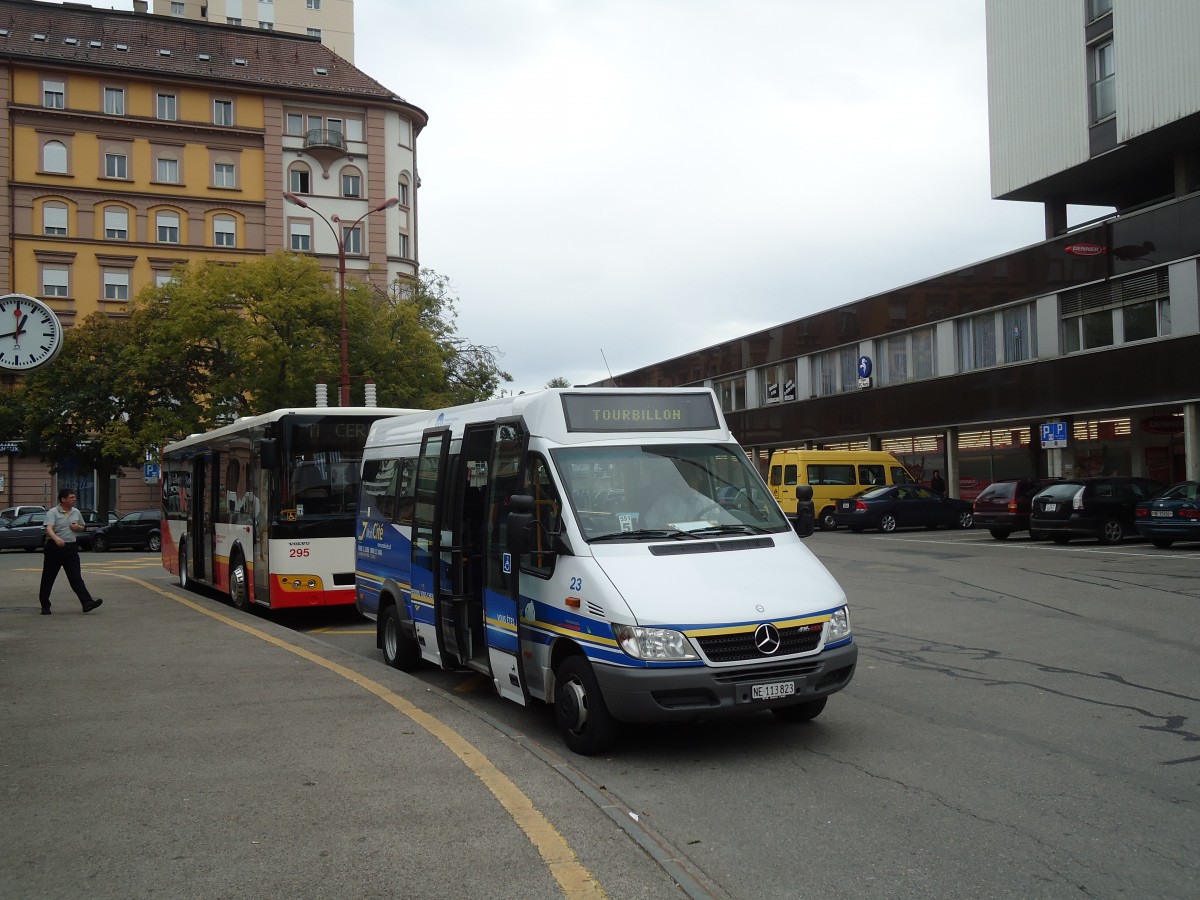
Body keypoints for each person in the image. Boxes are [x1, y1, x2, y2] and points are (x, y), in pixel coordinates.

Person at [40, 488, 103, 615]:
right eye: (71, 497)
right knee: (49, 577)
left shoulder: (76, 512)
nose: (74, 499)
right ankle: (45, 605)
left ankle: (87, 602)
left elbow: (83, 527)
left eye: (74, 497)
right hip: (54, 548)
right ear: (63, 499)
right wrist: (56, 538)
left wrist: (78, 527)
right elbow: (49, 529)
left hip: (71, 548)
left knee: (76, 577)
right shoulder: (53, 512)